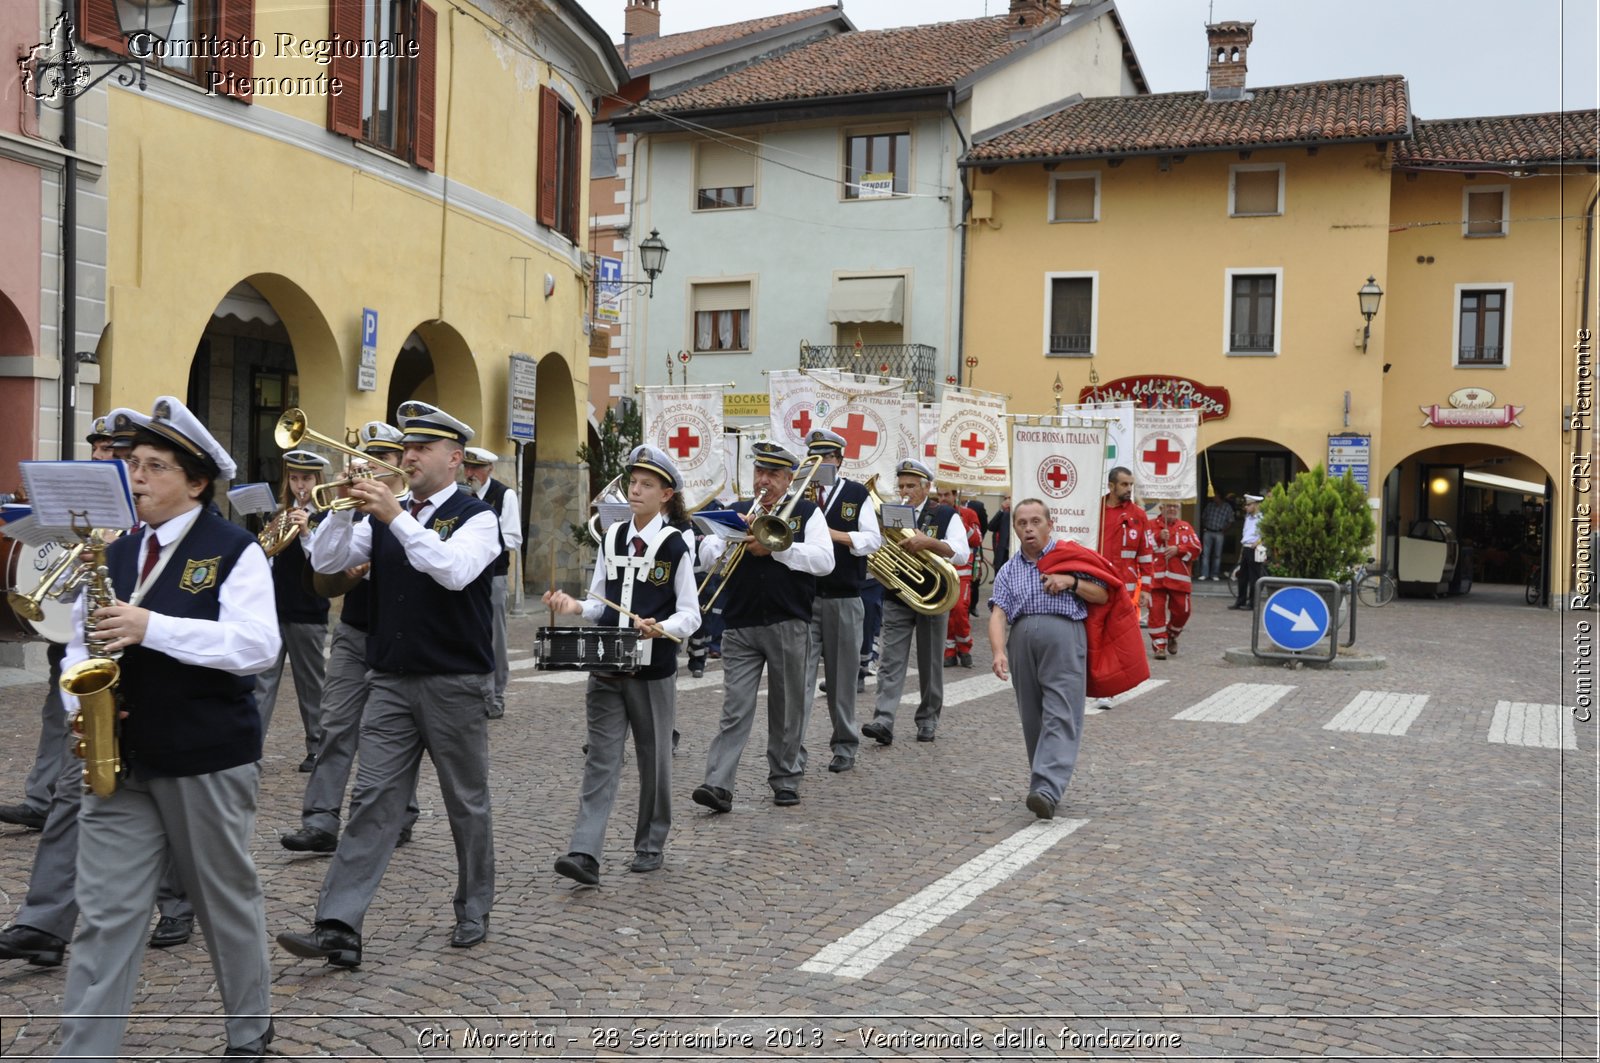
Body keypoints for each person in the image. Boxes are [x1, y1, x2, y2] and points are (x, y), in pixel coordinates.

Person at [52, 396, 280, 1061]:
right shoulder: (115, 548)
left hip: (205, 754)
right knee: (104, 914)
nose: (138, 478)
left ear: (196, 480)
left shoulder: (233, 550)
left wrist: (153, 627)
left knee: (223, 899)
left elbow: (256, 645)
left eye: (154, 466)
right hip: (119, 758)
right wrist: (80, 708)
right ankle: (83, 1050)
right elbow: (77, 642)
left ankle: (248, 1028)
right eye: (135, 464)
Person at [279, 401, 499, 967]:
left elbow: (451, 570)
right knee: (373, 798)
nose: (408, 457)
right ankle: (338, 925)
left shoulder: (479, 518)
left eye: (422, 449)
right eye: (406, 448)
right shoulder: (385, 515)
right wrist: (346, 511)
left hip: (454, 683)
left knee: (464, 802)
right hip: (391, 680)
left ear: (454, 460)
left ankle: (474, 905)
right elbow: (325, 562)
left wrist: (394, 515)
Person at [545, 446, 699, 885]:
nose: (635, 489)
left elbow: (692, 614)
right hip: (606, 664)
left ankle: (650, 843)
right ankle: (585, 852)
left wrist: (661, 626)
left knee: (653, 762)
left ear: (666, 493)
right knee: (600, 759)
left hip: (652, 671)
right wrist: (573, 605)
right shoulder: (611, 538)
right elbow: (597, 603)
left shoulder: (675, 545)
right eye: (633, 482)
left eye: (646, 484)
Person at [279, 422, 420, 855]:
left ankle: (399, 813)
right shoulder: (350, 507)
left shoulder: (418, 511)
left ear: (400, 466)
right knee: (336, 724)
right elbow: (323, 566)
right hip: (356, 628)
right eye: (369, 460)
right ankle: (320, 820)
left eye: (383, 461)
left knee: (394, 732)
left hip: (400, 634)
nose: (372, 470)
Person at [690, 441, 833, 812]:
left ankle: (785, 778)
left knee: (787, 708)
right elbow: (705, 556)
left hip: (788, 622)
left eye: (772, 474)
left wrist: (778, 549)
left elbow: (824, 561)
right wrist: (724, 538)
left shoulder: (806, 513)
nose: (763, 481)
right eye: (759, 472)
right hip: (740, 624)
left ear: (789, 479)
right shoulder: (738, 511)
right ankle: (718, 784)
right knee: (734, 708)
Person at [0, 417, 118, 833]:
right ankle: (41, 799)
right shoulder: (80, 497)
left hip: (119, 629)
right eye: (97, 448)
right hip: (73, 629)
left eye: (110, 449)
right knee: (58, 713)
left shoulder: (138, 501)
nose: (101, 456)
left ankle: (97, 796)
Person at [988, 499, 1109, 819]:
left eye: (1036, 521)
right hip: (1022, 640)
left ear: (1049, 524)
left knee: (1061, 712)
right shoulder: (1008, 569)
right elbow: (998, 614)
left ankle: (1046, 787)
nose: (1029, 528)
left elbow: (1103, 594)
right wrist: (999, 651)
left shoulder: (1069, 557)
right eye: (1022, 523)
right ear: (1014, 529)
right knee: (1032, 717)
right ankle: (1042, 782)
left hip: (1065, 637)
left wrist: (1072, 582)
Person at [860, 459, 969, 745]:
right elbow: (877, 547)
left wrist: (929, 543)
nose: (905, 491)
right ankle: (883, 719)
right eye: (901, 486)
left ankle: (928, 720)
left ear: (926, 487)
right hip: (897, 594)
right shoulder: (891, 513)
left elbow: (961, 553)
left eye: (911, 486)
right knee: (889, 661)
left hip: (934, 596)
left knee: (931, 662)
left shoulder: (945, 514)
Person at [798, 429, 881, 775]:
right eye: (814, 458)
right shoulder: (798, 492)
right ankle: (793, 752)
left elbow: (872, 539)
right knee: (798, 681)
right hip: (803, 599)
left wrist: (830, 535)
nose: (821, 464)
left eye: (827, 458)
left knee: (842, 679)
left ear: (839, 460)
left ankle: (845, 745)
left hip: (844, 597)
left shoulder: (855, 493)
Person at [253, 449, 330, 772]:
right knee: (262, 683)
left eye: (307, 478)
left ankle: (317, 748)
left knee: (311, 684)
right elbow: (267, 560)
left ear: (317, 482)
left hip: (308, 611)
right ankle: (250, 747)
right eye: (295, 478)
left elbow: (326, 563)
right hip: (275, 610)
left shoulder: (326, 517)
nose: (300, 485)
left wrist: (307, 532)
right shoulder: (281, 515)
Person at [461, 447, 523, 719]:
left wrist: (484, 538)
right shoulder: (461, 494)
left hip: (494, 575)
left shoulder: (504, 495)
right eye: (467, 468)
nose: (470, 474)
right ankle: (469, 693)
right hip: (465, 574)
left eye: (476, 469)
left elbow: (514, 538)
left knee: (495, 635)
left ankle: (495, 695)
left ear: (489, 470)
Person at [1097, 466, 1153, 617]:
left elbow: (1146, 555)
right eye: (1124, 484)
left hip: (1125, 587)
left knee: (1122, 632)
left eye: (1131, 485)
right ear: (1111, 486)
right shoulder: (1095, 510)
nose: (1129, 489)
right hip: (1096, 583)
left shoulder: (1139, 515)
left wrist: (1146, 589)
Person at [1149, 501, 1201, 659]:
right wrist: (1158, 537)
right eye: (1168, 506)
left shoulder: (1185, 527)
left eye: (1175, 506)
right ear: (1161, 508)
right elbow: (1142, 546)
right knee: (1156, 613)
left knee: (1183, 611)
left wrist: (1179, 550)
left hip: (1179, 579)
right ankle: (1159, 646)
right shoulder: (1150, 526)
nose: (1172, 509)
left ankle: (1171, 634)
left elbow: (1197, 548)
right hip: (1156, 579)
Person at [938, 483, 982, 668]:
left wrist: (961, 523)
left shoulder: (969, 514)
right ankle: (949, 651)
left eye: (946, 495)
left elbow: (977, 539)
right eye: (939, 495)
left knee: (959, 610)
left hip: (963, 572)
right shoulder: (937, 513)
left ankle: (964, 647)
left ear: (955, 495)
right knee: (946, 611)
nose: (942, 499)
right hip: (943, 571)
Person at [1231, 493, 1266, 610]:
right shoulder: (1248, 518)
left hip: (1255, 548)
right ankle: (1240, 601)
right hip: (1246, 547)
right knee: (1242, 576)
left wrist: (1259, 542)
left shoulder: (1262, 518)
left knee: (1254, 577)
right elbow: (1245, 534)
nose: (1246, 507)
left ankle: (1252, 603)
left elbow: (1266, 532)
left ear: (1256, 505)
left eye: (1249, 504)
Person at [1198, 490, 1235, 581]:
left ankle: (1214, 574)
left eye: (1215, 495)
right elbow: (1203, 517)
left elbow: (1231, 520)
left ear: (1220, 496)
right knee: (1205, 554)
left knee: (1217, 555)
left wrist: (1224, 530)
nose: (1213, 497)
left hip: (1219, 533)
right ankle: (1204, 574)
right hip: (1208, 531)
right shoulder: (1210, 505)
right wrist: (1205, 527)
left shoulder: (1227, 507)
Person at [988, 495, 1013, 571]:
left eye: (1009, 498)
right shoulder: (1003, 514)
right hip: (1002, 557)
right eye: (1005, 499)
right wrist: (1001, 509)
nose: (1007, 501)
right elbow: (991, 527)